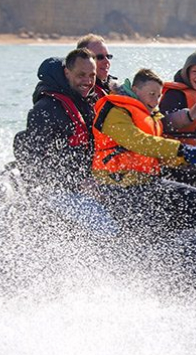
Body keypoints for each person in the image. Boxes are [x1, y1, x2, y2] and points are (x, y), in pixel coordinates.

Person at [13, 48, 118, 235]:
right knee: (108, 230)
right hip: (59, 192)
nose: (87, 81)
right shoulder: (45, 110)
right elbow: (34, 164)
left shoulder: (90, 102)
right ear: (67, 73)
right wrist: (78, 183)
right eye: (81, 75)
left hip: (94, 184)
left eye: (92, 75)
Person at [91, 68, 196, 234]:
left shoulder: (150, 115)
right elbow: (139, 142)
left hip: (142, 181)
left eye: (159, 96)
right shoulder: (116, 112)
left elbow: (154, 154)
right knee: (193, 197)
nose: (156, 100)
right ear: (136, 90)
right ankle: (191, 247)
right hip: (117, 185)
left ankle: (183, 243)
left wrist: (186, 158)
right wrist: (180, 149)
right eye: (152, 94)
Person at [159, 49, 196, 146]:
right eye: (195, 71)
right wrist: (188, 116)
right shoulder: (175, 94)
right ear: (187, 73)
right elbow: (163, 123)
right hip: (181, 153)